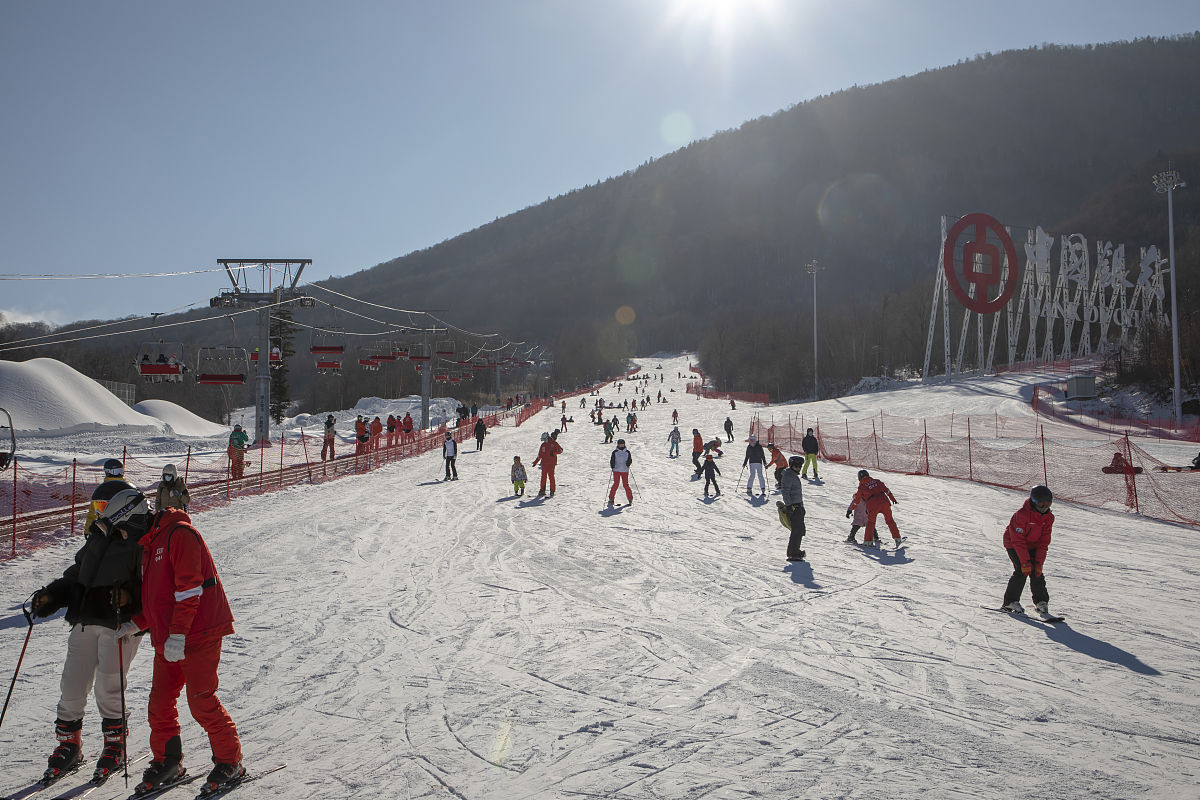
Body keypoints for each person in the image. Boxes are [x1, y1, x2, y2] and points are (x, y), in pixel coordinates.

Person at [30, 482, 147, 784]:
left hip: (119, 624)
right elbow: (76, 574)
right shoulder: (97, 537)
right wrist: (53, 595)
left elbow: (152, 585)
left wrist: (129, 598)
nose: (97, 514)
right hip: (85, 619)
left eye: (102, 508)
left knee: (108, 687)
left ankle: (114, 746)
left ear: (123, 508)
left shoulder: (142, 541)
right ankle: (69, 746)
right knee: (71, 684)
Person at [130, 500, 243, 795]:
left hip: (199, 632)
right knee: (159, 703)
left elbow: (190, 588)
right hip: (169, 637)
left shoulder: (180, 534)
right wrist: (135, 623)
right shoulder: (150, 544)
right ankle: (169, 762)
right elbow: (159, 597)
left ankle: (230, 761)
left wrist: (178, 635)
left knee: (201, 700)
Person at [1001, 485, 1055, 616]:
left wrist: (1039, 563)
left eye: (1047, 505)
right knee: (1022, 570)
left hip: (1033, 546)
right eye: (1041, 505)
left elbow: (1044, 542)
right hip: (1014, 544)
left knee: (1036, 571)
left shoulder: (1048, 518)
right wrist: (1025, 562)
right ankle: (1010, 601)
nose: (1044, 508)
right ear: (1034, 501)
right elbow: (1018, 541)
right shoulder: (1022, 515)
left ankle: (1041, 601)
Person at [848, 469, 902, 547]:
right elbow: (887, 491)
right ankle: (897, 538)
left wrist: (851, 509)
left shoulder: (862, 487)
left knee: (870, 522)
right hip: (884, 502)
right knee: (890, 520)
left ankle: (868, 541)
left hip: (873, 505)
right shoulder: (877, 481)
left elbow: (857, 500)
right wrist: (893, 499)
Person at [85, 458, 128, 534]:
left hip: (106, 528)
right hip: (128, 528)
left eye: (119, 471)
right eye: (116, 471)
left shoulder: (101, 490)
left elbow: (92, 513)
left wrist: (87, 530)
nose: (118, 474)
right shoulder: (129, 487)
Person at [781, 456, 807, 561]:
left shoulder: (793, 475)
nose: (798, 468)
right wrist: (789, 507)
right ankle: (793, 552)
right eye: (796, 466)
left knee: (800, 530)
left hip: (798, 506)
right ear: (791, 465)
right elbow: (785, 492)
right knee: (797, 530)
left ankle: (795, 550)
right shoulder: (788, 476)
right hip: (793, 507)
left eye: (800, 466)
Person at [532, 431, 562, 497]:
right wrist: (535, 462)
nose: (544, 441)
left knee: (551, 477)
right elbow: (540, 455)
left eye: (545, 439)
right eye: (543, 440)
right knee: (543, 477)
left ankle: (552, 490)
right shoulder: (543, 445)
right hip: (544, 463)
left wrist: (554, 452)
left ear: (547, 437)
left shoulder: (554, 443)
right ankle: (542, 490)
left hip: (551, 463)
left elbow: (561, 450)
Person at [607, 439, 633, 507]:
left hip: (624, 470)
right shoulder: (615, 452)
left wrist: (628, 463)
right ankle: (611, 498)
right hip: (616, 470)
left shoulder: (627, 452)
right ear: (618, 445)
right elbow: (612, 459)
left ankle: (630, 498)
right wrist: (612, 465)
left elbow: (630, 459)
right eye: (620, 444)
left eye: (622, 444)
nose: (621, 445)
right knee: (616, 484)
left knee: (625, 485)